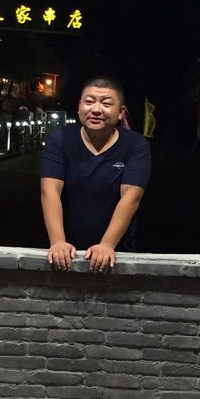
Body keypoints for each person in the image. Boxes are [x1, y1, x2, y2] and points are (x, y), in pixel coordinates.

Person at [40, 76, 151, 272]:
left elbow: (131, 197)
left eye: (106, 104)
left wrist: (107, 244)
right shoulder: (60, 139)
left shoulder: (136, 146)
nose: (96, 109)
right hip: (66, 248)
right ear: (79, 107)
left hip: (117, 249)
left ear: (121, 112)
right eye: (89, 102)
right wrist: (58, 241)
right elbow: (50, 191)